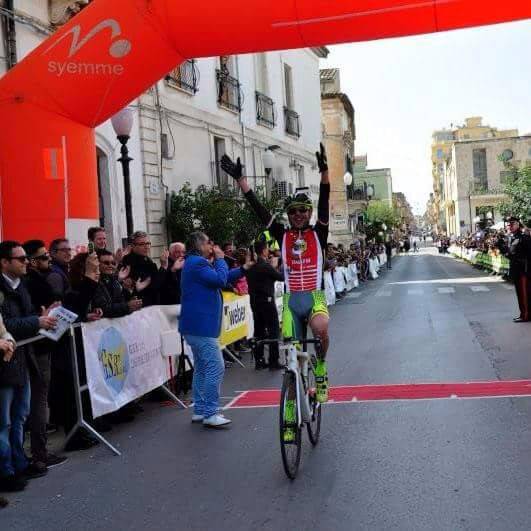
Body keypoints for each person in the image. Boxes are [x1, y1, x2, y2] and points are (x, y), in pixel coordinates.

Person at [223, 142, 331, 405]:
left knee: (320, 328)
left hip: (315, 297)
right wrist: (241, 181)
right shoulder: (281, 235)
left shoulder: (319, 233)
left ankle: (320, 370)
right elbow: (259, 210)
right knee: (291, 357)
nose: (297, 215)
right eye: (293, 211)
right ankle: (293, 402)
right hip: (292, 302)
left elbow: (325, 200)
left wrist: (325, 171)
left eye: (302, 211)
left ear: (309, 213)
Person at [0, 241, 58, 488]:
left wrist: (42, 316)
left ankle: (19, 463)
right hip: (5, 364)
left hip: (23, 360)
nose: (27, 262)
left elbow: (23, 319)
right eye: (21, 259)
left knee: (20, 416)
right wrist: (37, 321)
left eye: (27, 258)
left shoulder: (21, 285)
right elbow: (8, 326)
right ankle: (6, 471)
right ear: (4, 262)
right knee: (4, 421)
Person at [180, 232, 250, 428]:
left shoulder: (195, 263)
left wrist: (243, 269)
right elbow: (220, 280)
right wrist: (220, 259)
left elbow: (220, 277)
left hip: (196, 326)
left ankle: (200, 410)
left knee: (202, 368)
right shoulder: (197, 263)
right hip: (200, 326)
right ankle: (211, 412)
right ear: (199, 244)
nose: (211, 246)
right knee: (215, 367)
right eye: (208, 242)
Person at [23, 240, 67, 471]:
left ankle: (33, 453)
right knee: (37, 400)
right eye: (43, 258)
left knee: (34, 400)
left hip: (40, 345)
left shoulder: (30, 281)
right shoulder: (29, 282)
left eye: (48, 258)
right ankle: (38, 453)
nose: (48, 262)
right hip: (34, 347)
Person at [247, 240, 284, 370]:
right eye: (267, 248)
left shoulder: (250, 266)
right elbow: (281, 277)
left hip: (255, 302)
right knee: (273, 331)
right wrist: (275, 266)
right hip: (267, 301)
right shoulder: (265, 266)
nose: (268, 251)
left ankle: (259, 360)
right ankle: (273, 360)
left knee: (259, 331)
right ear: (263, 250)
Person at [93, 251, 143, 318]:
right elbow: (104, 309)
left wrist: (132, 301)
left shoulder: (114, 281)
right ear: (98, 264)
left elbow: (120, 301)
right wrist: (127, 305)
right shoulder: (94, 282)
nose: (110, 265)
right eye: (106, 263)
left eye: (113, 263)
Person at [120, 231, 161, 307]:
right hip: (135, 307)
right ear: (133, 246)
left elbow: (157, 286)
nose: (146, 247)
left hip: (151, 307)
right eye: (142, 244)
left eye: (148, 243)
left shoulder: (148, 261)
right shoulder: (126, 262)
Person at [504, 217, 531, 323]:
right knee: (520, 293)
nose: (509, 226)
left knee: (524, 294)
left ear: (518, 225)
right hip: (516, 269)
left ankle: (526, 315)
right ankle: (523, 314)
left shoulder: (524, 238)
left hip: (523, 270)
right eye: (508, 224)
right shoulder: (512, 238)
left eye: (512, 224)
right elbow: (511, 254)